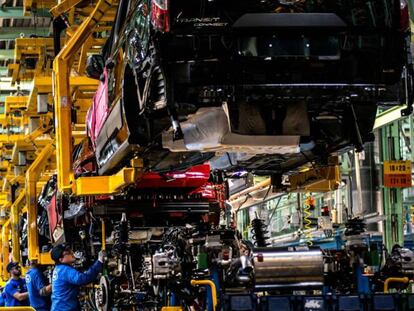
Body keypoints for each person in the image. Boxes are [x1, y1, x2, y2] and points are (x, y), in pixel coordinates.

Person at [51, 244, 105, 311]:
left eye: (70, 251)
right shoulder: (64, 270)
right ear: (61, 259)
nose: (71, 253)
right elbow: (82, 279)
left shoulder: (58, 269)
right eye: (67, 253)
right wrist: (99, 262)